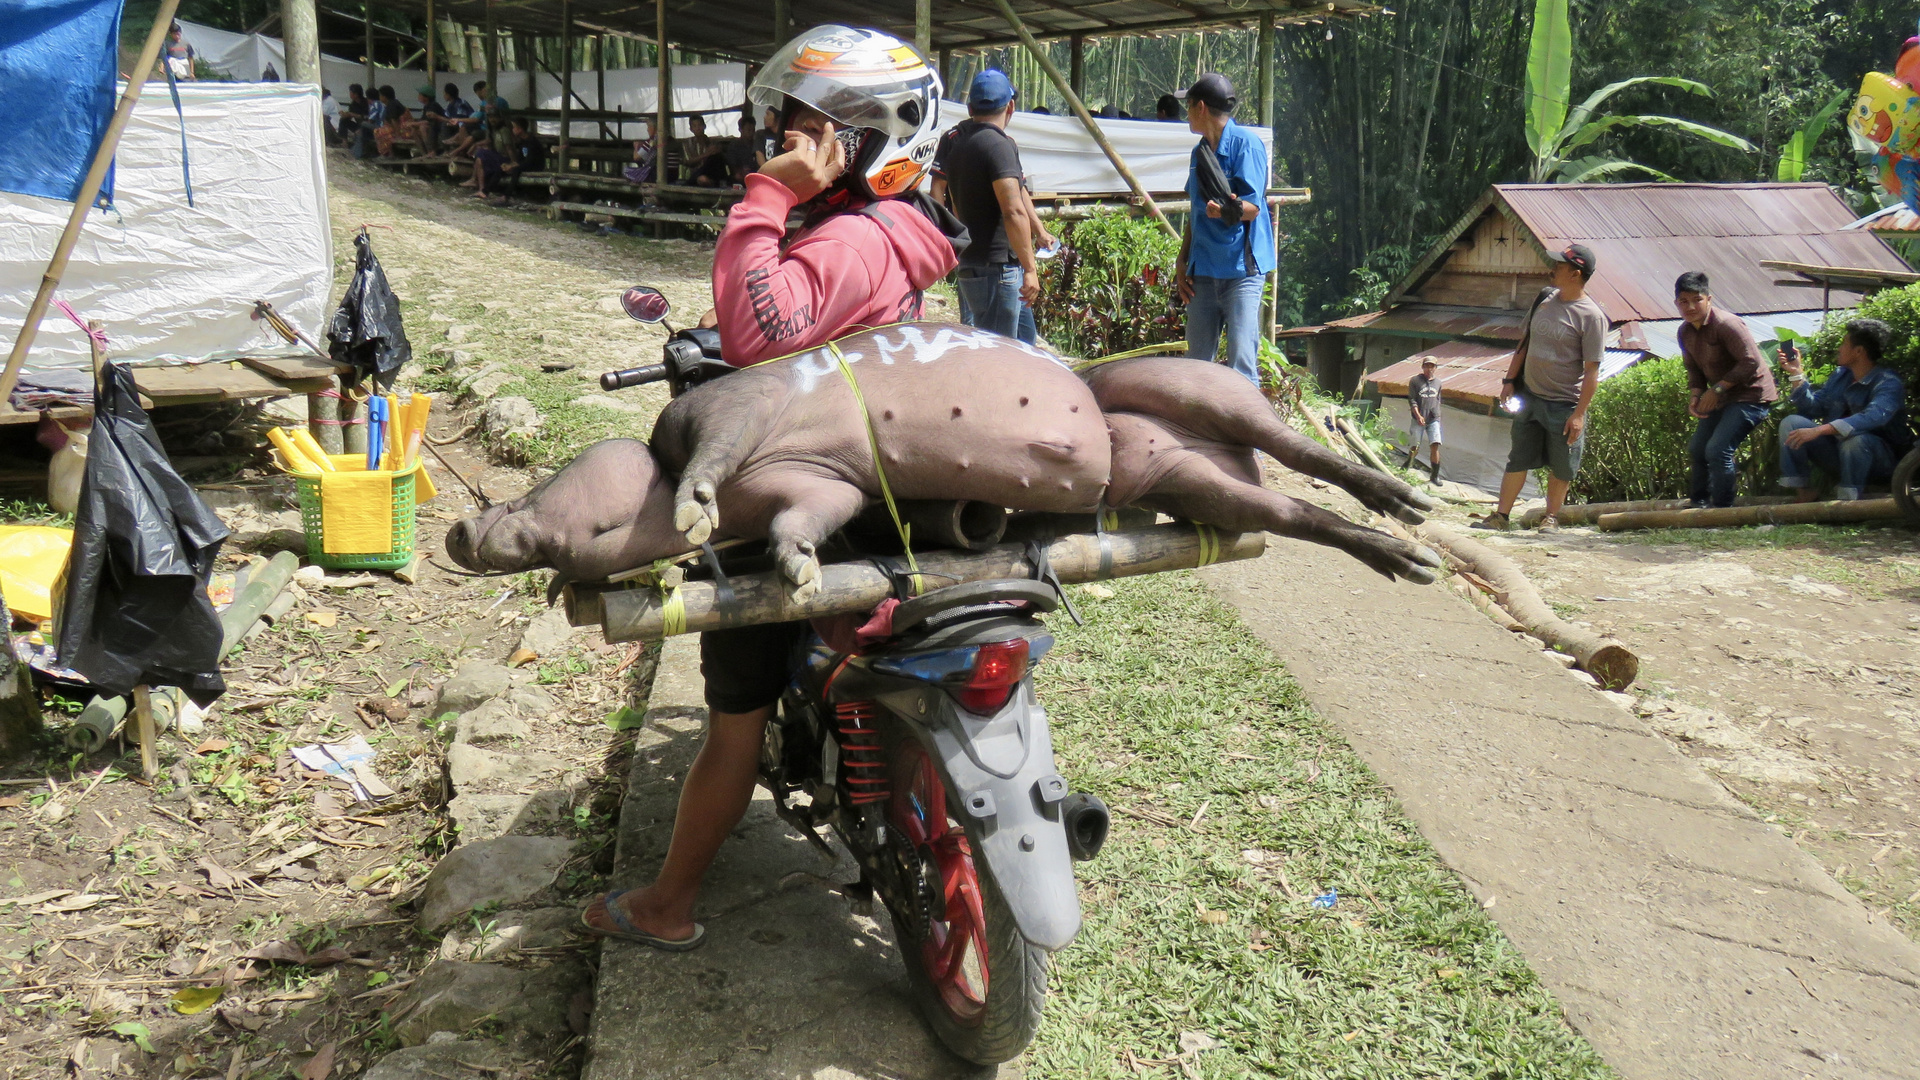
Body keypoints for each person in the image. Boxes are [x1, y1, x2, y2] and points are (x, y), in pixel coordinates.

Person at [577, 25, 958, 951]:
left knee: (732, 710)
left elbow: (759, 335)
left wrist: (762, 198)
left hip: (819, 485)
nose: (781, 144)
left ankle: (668, 904)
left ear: (858, 139)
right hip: (887, 477)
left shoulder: (854, 239)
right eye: (783, 129)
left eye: (800, 128)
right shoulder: (892, 233)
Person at [1475, 244, 1607, 532]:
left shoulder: (1592, 317)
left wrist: (1580, 414)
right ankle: (1501, 517)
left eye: (1559, 266)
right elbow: (1524, 344)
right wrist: (1509, 381)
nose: (1552, 269)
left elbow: (1591, 372)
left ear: (1575, 274)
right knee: (1517, 457)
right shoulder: (1545, 299)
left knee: (1562, 465)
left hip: (1564, 404)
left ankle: (1551, 518)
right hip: (1530, 397)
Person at [1176, 73, 1275, 387]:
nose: (1186, 114)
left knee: (1241, 370)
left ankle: (1248, 437)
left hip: (1241, 273)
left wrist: (1226, 211)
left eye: (1188, 106)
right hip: (1203, 271)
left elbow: (1254, 208)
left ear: (1201, 107)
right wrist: (1183, 262)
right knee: (1195, 370)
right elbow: (1195, 211)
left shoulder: (1248, 147)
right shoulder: (1198, 154)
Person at [930, 69, 1039, 341]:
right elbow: (1013, 209)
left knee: (1026, 346)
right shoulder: (999, 145)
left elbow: (940, 195)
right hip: (999, 268)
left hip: (972, 261)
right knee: (998, 357)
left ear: (969, 107)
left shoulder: (955, 140)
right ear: (1010, 106)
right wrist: (1030, 268)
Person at [1778, 318, 1912, 502]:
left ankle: (1847, 501)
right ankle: (1804, 494)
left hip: (1881, 463)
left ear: (1858, 351)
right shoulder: (1841, 376)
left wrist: (1819, 430)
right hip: (1841, 455)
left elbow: (1872, 417)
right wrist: (1796, 374)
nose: (1839, 348)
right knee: (1791, 423)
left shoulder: (1888, 383)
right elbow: (1814, 407)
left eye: (1844, 343)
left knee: (1856, 440)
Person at [1675, 270, 1778, 508]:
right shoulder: (1685, 331)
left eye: (1697, 299)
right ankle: (1699, 502)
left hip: (1751, 396)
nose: (1690, 306)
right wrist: (1695, 395)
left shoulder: (1728, 324)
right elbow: (1693, 369)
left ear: (1709, 298)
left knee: (1718, 449)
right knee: (1698, 448)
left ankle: (1723, 509)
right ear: (1676, 303)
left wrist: (1718, 389)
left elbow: (1750, 362)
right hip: (1723, 396)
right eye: (1684, 301)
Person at [1407, 357, 1443, 481]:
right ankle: (1408, 464)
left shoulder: (1438, 382)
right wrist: (1418, 416)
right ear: (1422, 367)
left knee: (1435, 444)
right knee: (1415, 445)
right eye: (1427, 366)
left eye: (1432, 366)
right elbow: (1412, 400)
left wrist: (1437, 415)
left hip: (1433, 419)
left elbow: (1438, 399)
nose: (1429, 369)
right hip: (1418, 418)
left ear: (1435, 368)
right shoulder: (1415, 381)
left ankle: (1434, 475)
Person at [402, 85, 446, 154]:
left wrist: (412, 123)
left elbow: (427, 122)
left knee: (422, 128)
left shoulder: (433, 105)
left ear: (426, 97)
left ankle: (430, 151)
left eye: (420, 95)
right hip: (431, 128)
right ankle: (423, 153)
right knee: (414, 130)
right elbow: (422, 120)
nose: (418, 96)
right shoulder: (426, 106)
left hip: (437, 130)